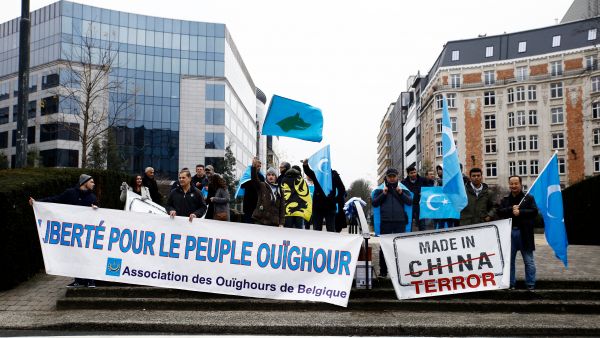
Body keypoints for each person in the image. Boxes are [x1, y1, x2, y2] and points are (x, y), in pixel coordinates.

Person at [29, 174, 98, 288]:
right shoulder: (70, 193)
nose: (93, 184)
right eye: (91, 182)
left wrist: (96, 209)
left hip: (86, 232)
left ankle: (90, 280)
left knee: (88, 255)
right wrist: (38, 203)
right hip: (73, 231)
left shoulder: (92, 197)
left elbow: (98, 213)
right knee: (75, 255)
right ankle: (79, 280)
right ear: (84, 182)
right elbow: (55, 200)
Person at [497, 175, 538, 291]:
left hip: (524, 234)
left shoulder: (528, 198)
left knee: (529, 261)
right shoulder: (505, 199)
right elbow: (499, 212)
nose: (513, 186)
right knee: (509, 261)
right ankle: (511, 283)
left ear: (520, 184)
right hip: (509, 234)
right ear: (509, 185)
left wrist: (521, 212)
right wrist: (511, 209)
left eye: (516, 183)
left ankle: (530, 284)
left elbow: (534, 212)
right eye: (511, 184)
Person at [372, 168, 412, 277]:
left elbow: (410, 202)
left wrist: (401, 193)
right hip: (386, 222)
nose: (392, 178)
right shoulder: (380, 190)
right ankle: (383, 271)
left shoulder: (403, 189)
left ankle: (400, 272)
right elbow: (374, 203)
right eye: (390, 176)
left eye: (394, 176)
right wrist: (383, 194)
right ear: (386, 177)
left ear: (397, 176)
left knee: (400, 247)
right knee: (384, 247)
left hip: (400, 222)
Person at [302, 159, 338, 232]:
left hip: (330, 206)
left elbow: (341, 189)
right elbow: (309, 172)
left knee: (331, 230)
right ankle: (316, 243)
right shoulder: (317, 175)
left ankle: (331, 243)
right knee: (317, 230)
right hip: (318, 207)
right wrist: (305, 165)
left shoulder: (334, 175)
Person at [250, 158, 284, 226]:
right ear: (266, 176)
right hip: (260, 220)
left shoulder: (280, 190)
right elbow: (254, 179)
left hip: (273, 222)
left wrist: (281, 223)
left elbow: (282, 208)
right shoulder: (262, 185)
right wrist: (253, 167)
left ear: (276, 177)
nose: (270, 176)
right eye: (268, 175)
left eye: (273, 175)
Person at [280, 163, 311, 229]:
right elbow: (307, 196)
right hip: (300, 211)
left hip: (287, 210)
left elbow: (282, 195)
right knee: (299, 232)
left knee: (288, 231)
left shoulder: (283, 179)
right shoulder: (301, 180)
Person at [401, 166, 428, 231]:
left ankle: (422, 236)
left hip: (420, 205)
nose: (413, 174)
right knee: (408, 222)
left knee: (422, 223)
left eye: (414, 172)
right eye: (411, 173)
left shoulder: (423, 180)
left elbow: (429, 189)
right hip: (409, 205)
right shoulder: (403, 183)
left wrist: (424, 193)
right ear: (408, 174)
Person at [242, 159, 264, 223]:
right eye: (257, 166)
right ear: (253, 166)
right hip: (248, 203)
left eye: (260, 166)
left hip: (257, 203)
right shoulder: (247, 175)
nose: (259, 168)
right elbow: (243, 185)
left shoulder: (261, 176)